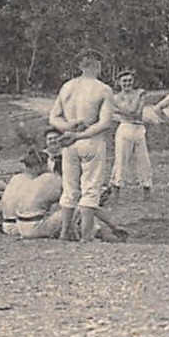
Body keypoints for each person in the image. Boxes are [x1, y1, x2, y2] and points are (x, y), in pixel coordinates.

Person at [48, 51, 116, 242]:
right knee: (91, 188)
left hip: (69, 142)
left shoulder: (67, 87)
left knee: (69, 188)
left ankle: (65, 231)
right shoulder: (103, 89)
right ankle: (86, 236)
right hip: (90, 141)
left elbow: (53, 117)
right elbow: (104, 123)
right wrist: (79, 133)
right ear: (98, 65)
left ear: (80, 66)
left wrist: (69, 128)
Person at [3, 147, 129, 241]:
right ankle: (93, 236)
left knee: (70, 210)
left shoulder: (43, 178)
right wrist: (113, 225)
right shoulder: (59, 181)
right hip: (34, 227)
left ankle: (89, 234)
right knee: (83, 208)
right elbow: (88, 205)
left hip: (22, 225)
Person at [109, 69, 153, 203]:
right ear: (119, 83)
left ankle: (146, 190)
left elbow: (136, 111)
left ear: (133, 81)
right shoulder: (116, 97)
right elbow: (127, 112)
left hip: (139, 128)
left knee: (144, 160)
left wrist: (119, 110)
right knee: (121, 160)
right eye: (124, 81)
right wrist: (124, 111)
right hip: (125, 128)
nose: (127, 83)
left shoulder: (140, 92)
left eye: (129, 80)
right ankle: (116, 192)